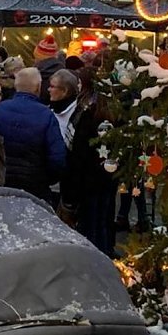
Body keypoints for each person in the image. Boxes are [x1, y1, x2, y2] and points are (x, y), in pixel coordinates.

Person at [0, 67, 67, 203]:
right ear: (38, 87)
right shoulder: (46, 115)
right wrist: (48, 179)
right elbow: (57, 157)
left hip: (2, 182)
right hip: (35, 184)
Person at [61, 67, 118, 256]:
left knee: (90, 223)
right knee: (104, 218)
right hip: (108, 176)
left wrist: (70, 189)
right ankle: (106, 252)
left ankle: (92, 260)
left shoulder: (85, 113)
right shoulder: (112, 112)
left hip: (87, 179)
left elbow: (77, 151)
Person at [48, 70, 81, 208]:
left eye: (52, 86)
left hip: (70, 179)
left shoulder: (78, 114)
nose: (48, 89)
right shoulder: (49, 110)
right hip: (51, 178)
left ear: (65, 91)